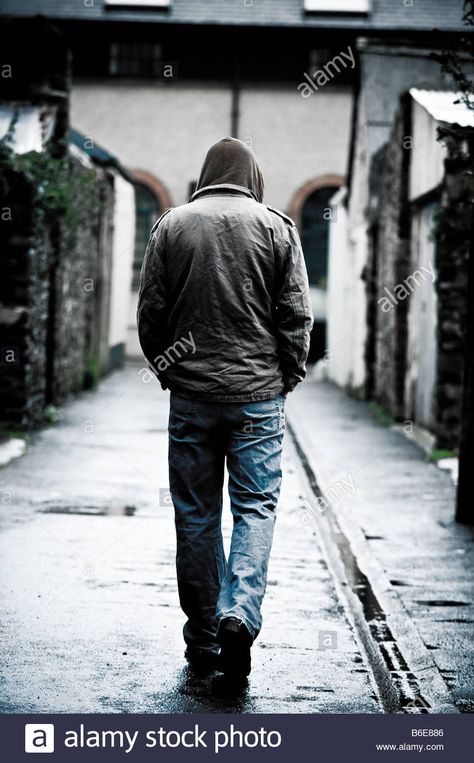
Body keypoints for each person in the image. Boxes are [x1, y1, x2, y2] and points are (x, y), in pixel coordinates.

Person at [137, 137, 313, 680]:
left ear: (206, 173)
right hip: (257, 398)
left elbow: (151, 312)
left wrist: (169, 369)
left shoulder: (172, 225)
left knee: (195, 514)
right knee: (256, 506)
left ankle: (203, 640)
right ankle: (240, 613)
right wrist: (286, 375)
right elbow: (296, 316)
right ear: (252, 176)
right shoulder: (278, 228)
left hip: (191, 399)